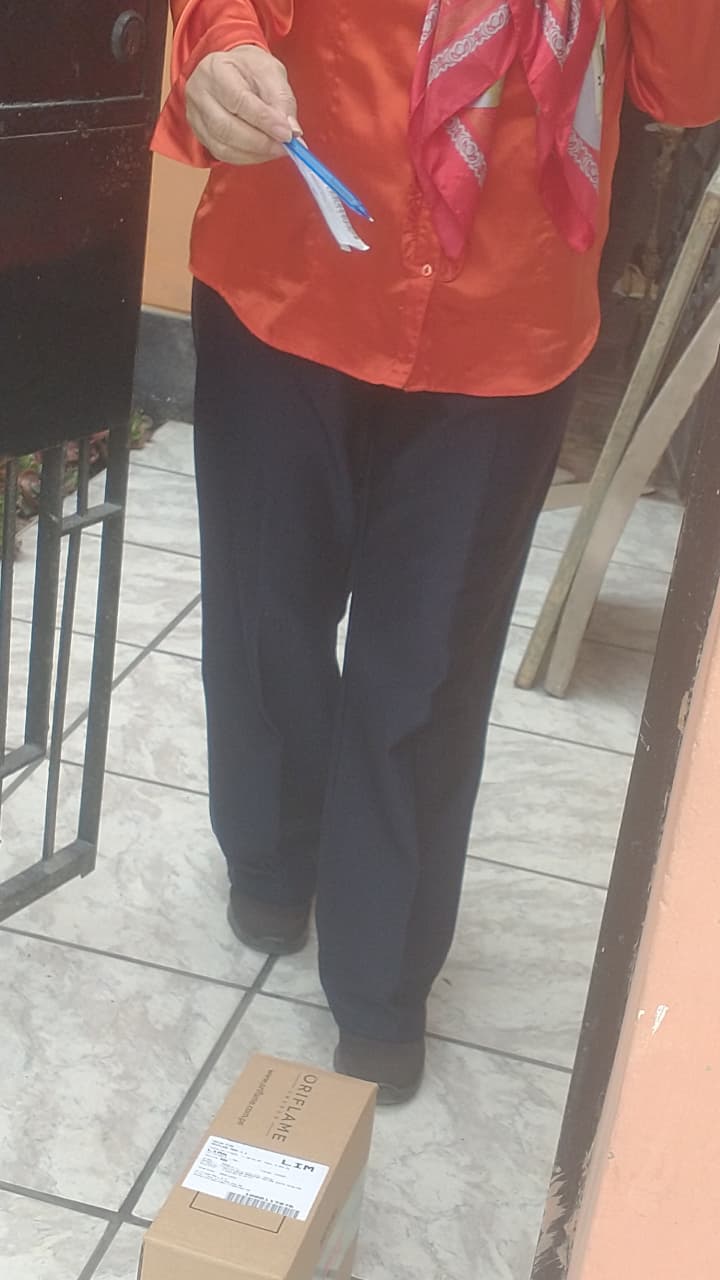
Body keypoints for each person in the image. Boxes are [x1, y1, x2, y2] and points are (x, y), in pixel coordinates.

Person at [153, 0, 720, 1103]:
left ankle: (383, 973)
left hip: (505, 309)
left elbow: (684, 85)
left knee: (427, 668)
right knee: (266, 607)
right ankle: (269, 851)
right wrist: (220, 49)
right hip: (292, 256)